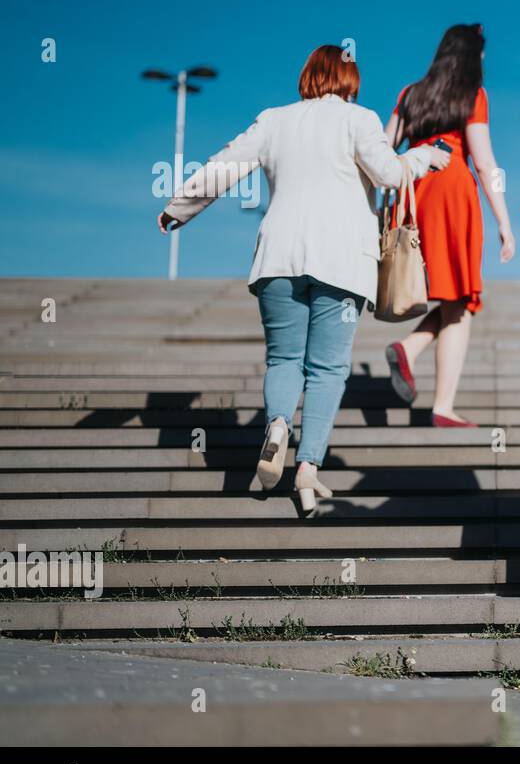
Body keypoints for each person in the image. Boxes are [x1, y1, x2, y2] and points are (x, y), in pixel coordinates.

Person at [157, 44, 449, 513]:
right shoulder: (359, 120)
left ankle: (276, 425)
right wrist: (422, 159)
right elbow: (390, 173)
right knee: (329, 369)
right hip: (342, 263)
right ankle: (308, 469)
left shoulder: (274, 120)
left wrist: (179, 207)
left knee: (284, 358)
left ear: (308, 76)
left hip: (278, 258)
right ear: (350, 81)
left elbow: (227, 164)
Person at [382, 24, 515, 426]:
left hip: (413, 191)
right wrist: (504, 222)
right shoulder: (473, 94)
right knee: (460, 297)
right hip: (452, 192)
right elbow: (485, 162)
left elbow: (383, 150)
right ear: (471, 56)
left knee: (454, 298)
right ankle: (442, 406)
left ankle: (409, 349)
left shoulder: (409, 93)